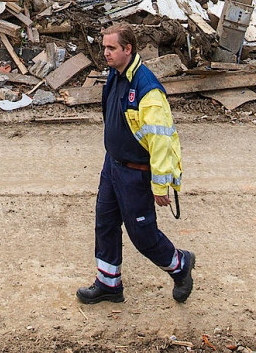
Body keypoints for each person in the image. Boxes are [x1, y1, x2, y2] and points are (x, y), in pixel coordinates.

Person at [76, 23, 195, 305]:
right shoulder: (116, 75)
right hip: (113, 166)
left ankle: (179, 265)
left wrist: (160, 185)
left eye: (111, 48)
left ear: (128, 49)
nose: (105, 53)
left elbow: (162, 141)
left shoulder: (148, 90)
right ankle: (108, 284)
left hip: (136, 173)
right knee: (105, 224)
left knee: (143, 235)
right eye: (104, 47)